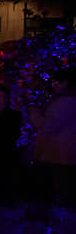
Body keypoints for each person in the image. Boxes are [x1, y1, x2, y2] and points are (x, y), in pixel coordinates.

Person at [34, 68, 76, 203]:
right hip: (60, 156)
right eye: (53, 82)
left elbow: (47, 126)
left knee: (60, 194)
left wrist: (33, 113)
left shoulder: (65, 103)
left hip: (59, 156)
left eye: (57, 82)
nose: (53, 85)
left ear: (65, 83)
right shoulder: (63, 102)